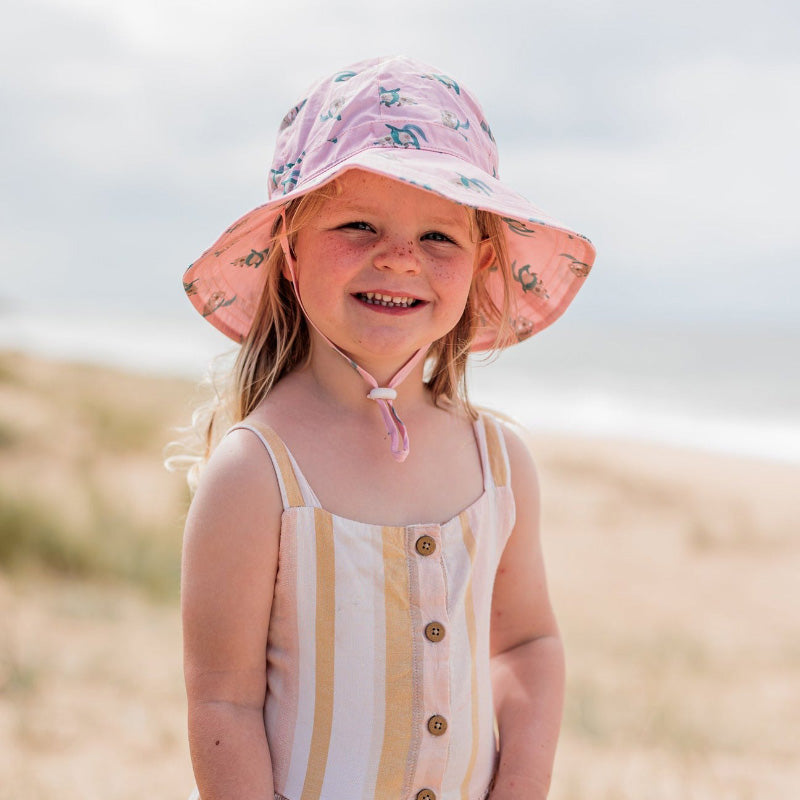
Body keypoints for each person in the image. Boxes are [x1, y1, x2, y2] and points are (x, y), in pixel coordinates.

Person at [178, 55, 595, 800]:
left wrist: (522, 784)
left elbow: (528, 644)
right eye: (358, 224)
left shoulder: (499, 461)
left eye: (440, 236)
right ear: (289, 255)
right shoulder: (256, 471)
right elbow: (223, 704)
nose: (399, 258)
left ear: (481, 263)